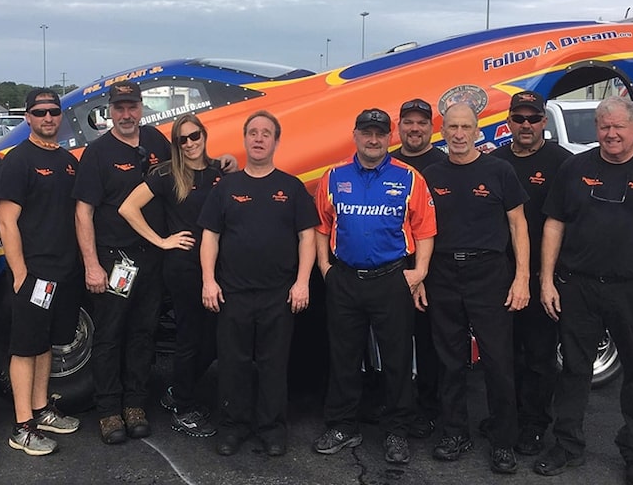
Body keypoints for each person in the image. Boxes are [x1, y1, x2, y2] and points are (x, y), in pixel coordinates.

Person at [535, 96, 633, 485]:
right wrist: (546, 280)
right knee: (574, 371)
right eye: (604, 126)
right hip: (578, 287)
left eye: (618, 126)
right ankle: (568, 445)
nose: (611, 134)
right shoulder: (576, 168)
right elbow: (554, 225)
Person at [312, 108, 436, 464]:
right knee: (344, 357)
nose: (373, 139)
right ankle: (342, 425)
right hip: (345, 280)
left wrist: (420, 272)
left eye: (380, 133)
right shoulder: (333, 177)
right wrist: (325, 267)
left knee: (397, 360)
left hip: (391, 279)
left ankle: (397, 431)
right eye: (366, 132)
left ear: (389, 137)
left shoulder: (409, 177)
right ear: (355, 135)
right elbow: (322, 225)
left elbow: (425, 229)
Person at [417, 102, 531, 474]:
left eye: (466, 126)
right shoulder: (431, 174)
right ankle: (455, 433)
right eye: (453, 127)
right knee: (449, 361)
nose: (459, 134)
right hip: (443, 273)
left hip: (490, 274)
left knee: (498, 361)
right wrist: (419, 276)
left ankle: (503, 441)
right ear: (443, 131)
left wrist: (522, 277)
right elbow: (419, 229)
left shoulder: (499, 170)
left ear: (477, 129)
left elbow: (518, 226)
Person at [199, 111, 318, 457]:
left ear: (276, 142)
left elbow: (307, 237)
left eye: (267, 133)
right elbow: (210, 237)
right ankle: (233, 427)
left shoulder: (291, 187)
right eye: (253, 132)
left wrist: (302, 283)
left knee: (273, 365)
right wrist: (209, 280)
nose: (259, 138)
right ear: (245, 139)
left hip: (278, 295)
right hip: (233, 292)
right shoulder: (227, 188)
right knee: (232, 365)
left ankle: (271, 429)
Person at [74, 80, 172, 445]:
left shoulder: (157, 142)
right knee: (111, 336)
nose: (126, 114)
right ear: (109, 111)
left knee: (143, 334)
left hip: (151, 259)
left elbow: (187, 165)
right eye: (119, 108)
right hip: (115, 262)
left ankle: (135, 404)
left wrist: (220, 162)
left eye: (132, 107)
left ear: (141, 107)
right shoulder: (97, 153)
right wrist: (91, 265)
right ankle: (109, 411)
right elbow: (83, 213)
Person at [118, 114, 223, 438]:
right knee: (190, 337)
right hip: (182, 267)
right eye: (183, 140)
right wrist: (162, 241)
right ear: (175, 145)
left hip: (217, 268)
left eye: (195, 136)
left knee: (216, 338)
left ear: (204, 136)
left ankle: (178, 390)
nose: (190, 144)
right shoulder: (166, 174)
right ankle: (183, 408)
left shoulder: (220, 171)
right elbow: (127, 208)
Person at [0, 88, 82, 456]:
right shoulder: (18, 161)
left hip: (64, 271)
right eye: (39, 112)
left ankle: (42, 408)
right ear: (28, 117)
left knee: (46, 343)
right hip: (35, 273)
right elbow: (6, 221)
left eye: (53, 112)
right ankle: (22, 426)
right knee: (25, 346)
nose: (48, 118)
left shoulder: (67, 161)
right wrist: (19, 274)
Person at [490, 91, 571, 456]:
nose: (525, 125)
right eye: (518, 118)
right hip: (497, 276)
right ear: (508, 122)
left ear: (544, 122)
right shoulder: (494, 160)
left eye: (532, 118)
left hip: (543, 275)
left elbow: (572, 220)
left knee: (539, 355)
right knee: (505, 354)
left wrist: (549, 276)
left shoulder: (563, 163)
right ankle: (507, 417)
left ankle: (535, 424)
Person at [388, 98, 446, 439]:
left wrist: (424, 272)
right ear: (399, 127)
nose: (414, 128)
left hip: (431, 269)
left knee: (428, 344)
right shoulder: (387, 163)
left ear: (431, 127)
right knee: (392, 342)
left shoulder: (442, 163)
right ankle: (395, 404)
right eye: (408, 122)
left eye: (421, 123)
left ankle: (429, 408)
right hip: (392, 268)